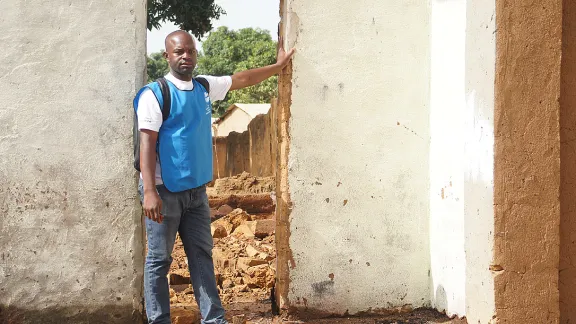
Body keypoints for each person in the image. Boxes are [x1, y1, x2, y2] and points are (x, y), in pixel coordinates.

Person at [134, 30, 295, 324]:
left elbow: (242, 79)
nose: (186, 57)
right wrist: (148, 191)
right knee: (159, 261)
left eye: (190, 51)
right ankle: (158, 320)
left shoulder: (203, 87)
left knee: (201, 257)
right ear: (166, 56)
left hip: (196, 193)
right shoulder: (155, 94)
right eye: (179, 52)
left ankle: (214, 319)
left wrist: (278, 66)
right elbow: (146, 143)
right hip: (163, 192)